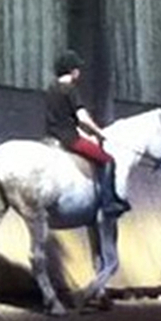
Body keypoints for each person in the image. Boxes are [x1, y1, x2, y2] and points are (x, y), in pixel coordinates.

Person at [44, 50, 129, 216]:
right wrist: (99, 132)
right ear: (72, 70)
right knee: (108, 160)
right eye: (77, 68)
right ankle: (108, 203)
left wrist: (87, 136)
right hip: (69, 139)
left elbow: (62, 117)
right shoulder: (70, 89)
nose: (79, 72)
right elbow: (82, 117)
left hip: (51, 136)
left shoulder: (51, 88)